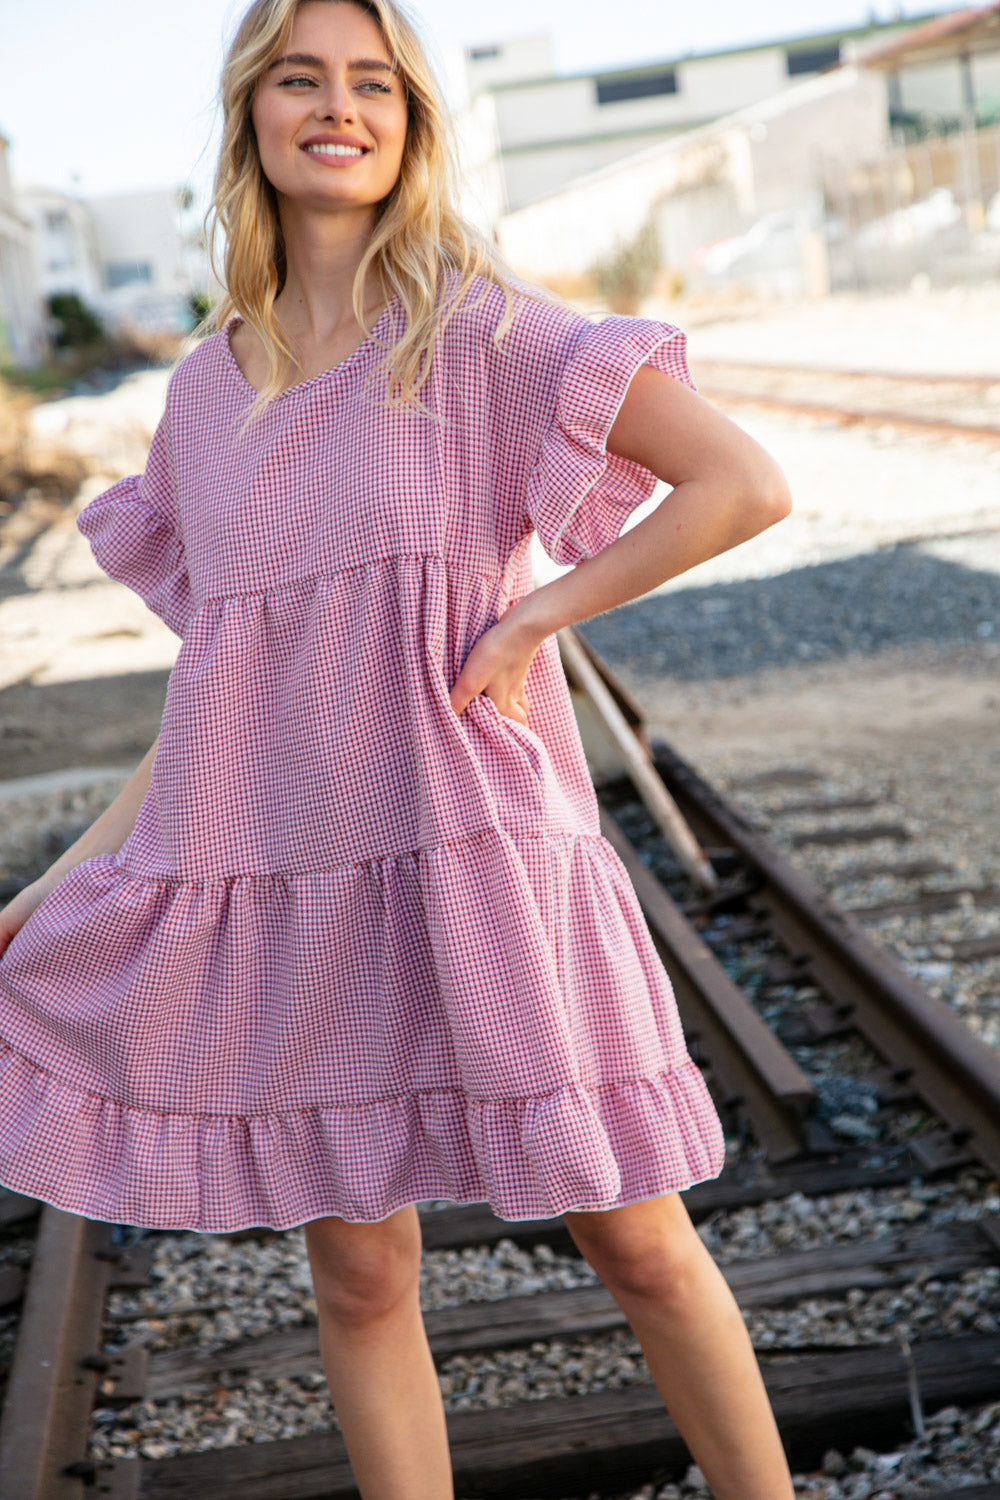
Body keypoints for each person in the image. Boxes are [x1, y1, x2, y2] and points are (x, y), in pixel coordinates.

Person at [0, 1, 796, 1495]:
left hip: (482, 852)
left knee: (636, 1236)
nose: (339, 106)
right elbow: (221, 696)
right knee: (363, 1280)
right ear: (252, 114)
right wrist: (65, 877)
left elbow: (740, 484)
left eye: (373, 82)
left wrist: (534, 616)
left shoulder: (481, 329)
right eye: (301, 78)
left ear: (411, 121)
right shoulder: (205, 393)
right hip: (303, 887)